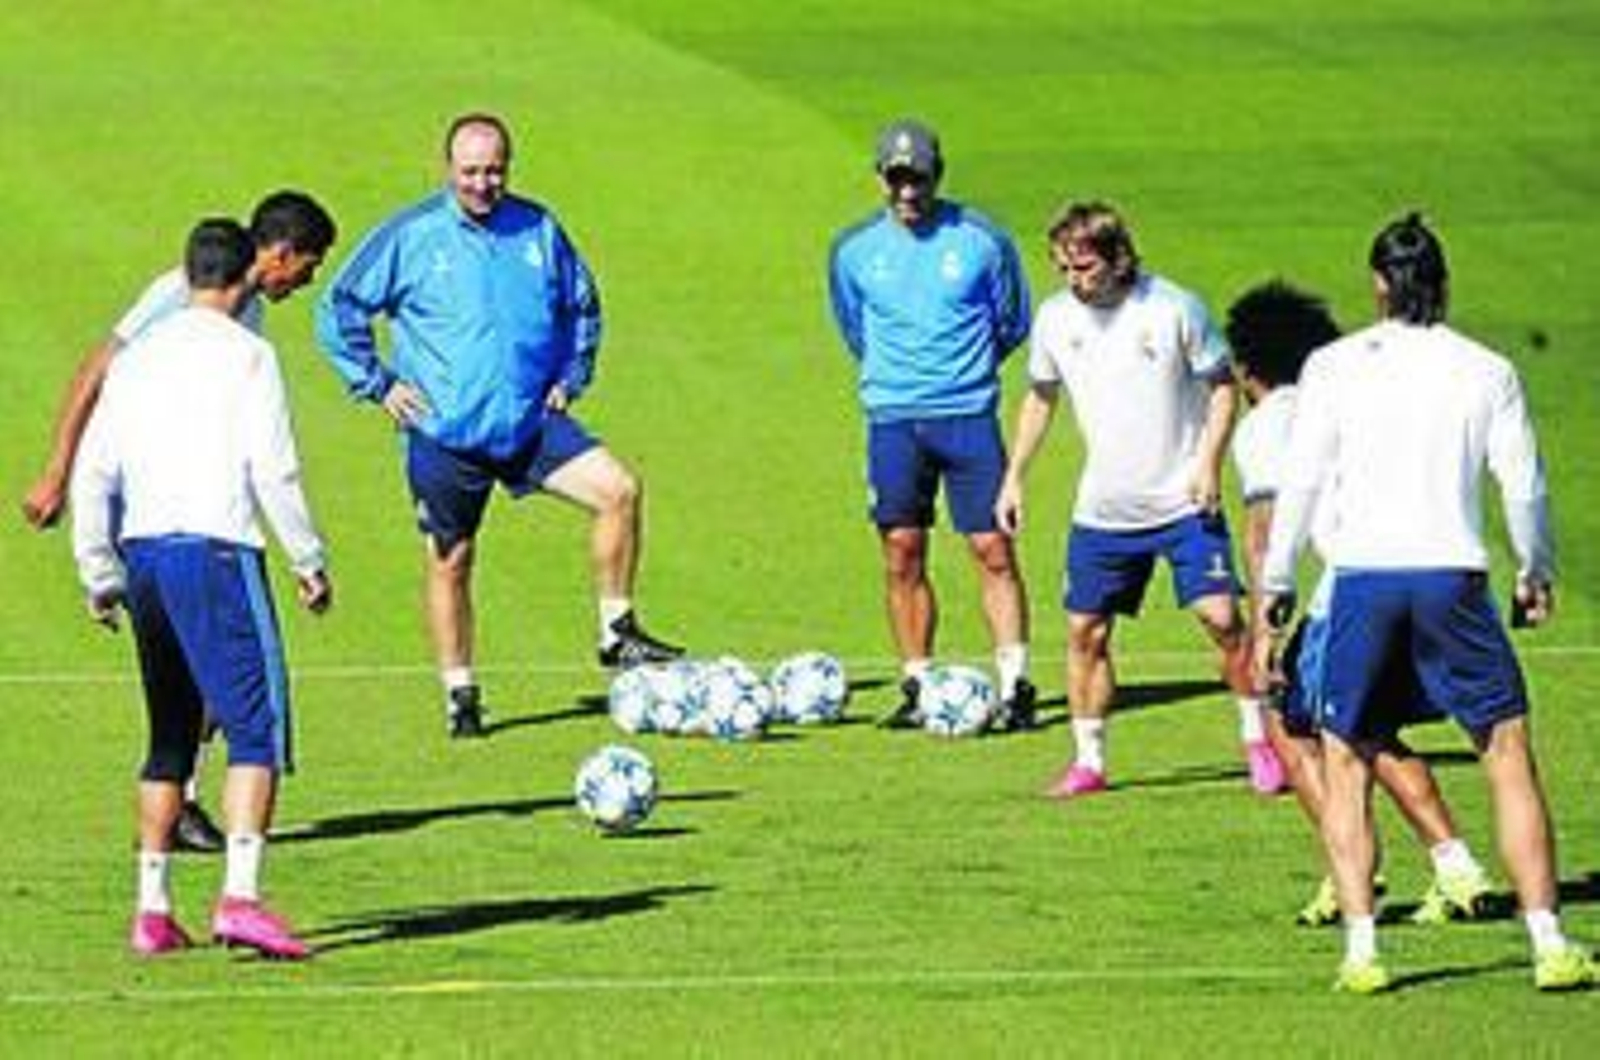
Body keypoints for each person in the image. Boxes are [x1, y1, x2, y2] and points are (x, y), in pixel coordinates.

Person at [1258, 213, 1594, 994]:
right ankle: (1549, 943)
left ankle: (1363, 953)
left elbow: (1301, 481)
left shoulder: (1333, 367)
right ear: (1441, 284)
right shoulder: (1487, 369)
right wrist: (1534, 571)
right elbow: (1525, 486)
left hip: (1363, 578)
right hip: (1453, 576)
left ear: (1377, 286)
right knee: (1506, 754)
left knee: (1345, 762)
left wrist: (1276, 583)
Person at [315, 112, 681, 739]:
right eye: (471, 172)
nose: (484, 184)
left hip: (532, 421)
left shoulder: (539, 228)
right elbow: (340, 305)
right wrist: (377, 382)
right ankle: (460, 694)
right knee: (451, 562)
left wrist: (572, 374)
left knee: (619, 491)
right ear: (447, 170)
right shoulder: (412, 235)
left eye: (494, 171)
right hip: (447, 434)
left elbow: (583, 305)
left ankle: (616, 631)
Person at [23, 190, 337, 852]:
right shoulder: (183, 294)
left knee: (203, 677)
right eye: (305, 267)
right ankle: (189, 815)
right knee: (214, 674)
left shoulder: (248, 313)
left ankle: (174, 821)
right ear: (276, 254)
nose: (304, 283)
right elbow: (99, 369)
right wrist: (57, 470)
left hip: (175, 506)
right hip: (162, 506)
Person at [71, 218, 331, 959]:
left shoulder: (140, 360)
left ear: (187, 275)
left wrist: (98, 571)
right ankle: (240, 898)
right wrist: (308, 558)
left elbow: (97, 471)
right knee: (257, 729)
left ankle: (152, 910)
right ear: (247, 268)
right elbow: (272, 469)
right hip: (218, 554)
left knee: (170, 738)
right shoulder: (250, 355)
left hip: (145, 555)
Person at [1227, 280, 1493, 928]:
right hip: (1421, 570)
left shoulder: (1263, 428)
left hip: (1346, 592)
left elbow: (1265, 533)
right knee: (1367, 728)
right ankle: (1451, 866)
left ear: (1245, 368)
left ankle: (1362, 869)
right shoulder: (1354, 397)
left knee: (1298, 730)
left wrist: (1264, 626)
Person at [997, 201, 1285, 797]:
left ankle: (1259, 739)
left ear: (1117, 258)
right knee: (1086, 633)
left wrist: (1207, 464)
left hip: (1183, 503)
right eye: (1063, 268)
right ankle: (1089, 761)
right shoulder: (1055, 320)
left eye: (1083, 267)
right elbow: (1040, 397)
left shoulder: (1174, 308)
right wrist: (1014, 477)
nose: (1073, 280)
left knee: (1224, 620)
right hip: (1103, 512)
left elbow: (1222, 389)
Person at [827, 118, 1036, 732]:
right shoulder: (854, 251)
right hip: (893, 420)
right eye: (896, 180)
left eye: (917, 179)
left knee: (991, 547)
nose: (907, 193)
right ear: (880, 180)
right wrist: (902, 381)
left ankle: (1015, 683)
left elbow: (1011, 320)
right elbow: (855, 328)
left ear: (936, 175)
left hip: (968, 416)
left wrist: (959, 374)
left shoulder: (981, 240)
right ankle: (917, 683)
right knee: (901, 552)